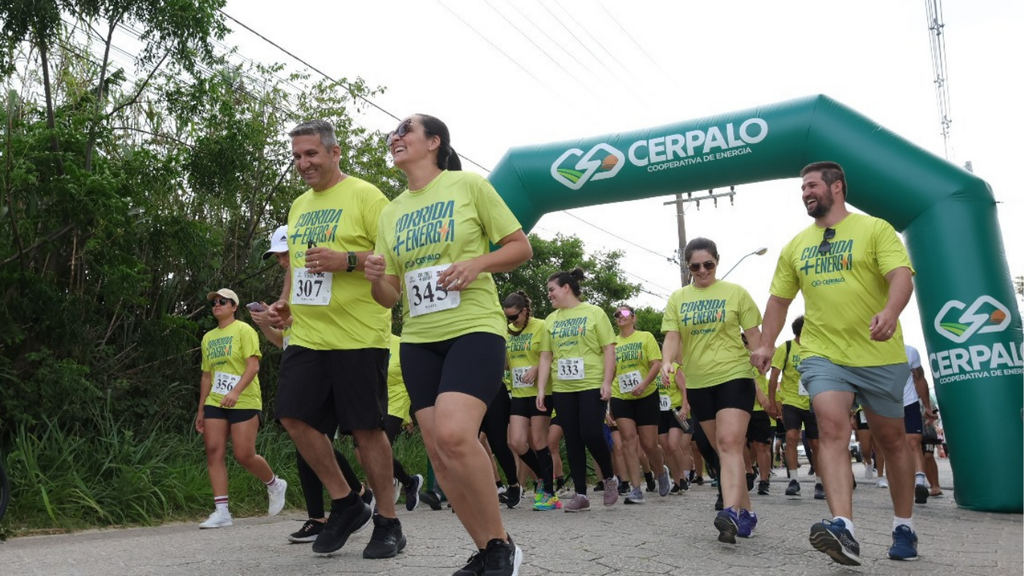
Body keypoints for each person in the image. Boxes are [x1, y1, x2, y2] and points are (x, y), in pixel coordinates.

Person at [364, 113, 532, 576]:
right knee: (439, 451)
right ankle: (486, 549)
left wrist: (477, 265)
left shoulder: (469, 186)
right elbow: (389, 297)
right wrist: (376, 279)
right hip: (419, 339)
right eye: (393, 133)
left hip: (474, 328)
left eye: (406, 130)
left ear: (434, 142)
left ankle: (501, 546)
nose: (395, 137)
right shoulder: (391, 211)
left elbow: (520, 248)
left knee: (456, 435)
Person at [750, 161, 919, 565]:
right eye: (802, 188)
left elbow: (901, 277)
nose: (805, 192)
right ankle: (843, 525)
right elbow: (778, 301)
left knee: (892, 440)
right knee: (830, 427)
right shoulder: (795, 246)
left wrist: (891, 312)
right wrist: (768, 342)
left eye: (811, 185)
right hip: (823, 353)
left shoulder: (874, 229)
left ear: (837, 187)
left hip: (878, 351)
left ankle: (904, 526)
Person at [268, 120, 402, 558]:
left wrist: (346, 259)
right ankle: (346, 502)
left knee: (365, 431)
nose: (303, 163)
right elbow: (298, 267)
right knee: (292, 415)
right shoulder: (299, 206)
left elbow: (391, 258)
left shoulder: (366, 196)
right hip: (308, 335)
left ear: (334, 152)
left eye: (311, 154)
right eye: (297, 156)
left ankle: (388, 521)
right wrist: (286, 303)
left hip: (359, 335)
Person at [250, 225, 374, 544]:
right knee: (305, 434)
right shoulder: (291, 285)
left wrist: (286, 316)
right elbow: (282, 340)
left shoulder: (318, 267)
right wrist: (269, 323)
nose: (281, 261)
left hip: (333, 354)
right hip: (300, 358)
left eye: (284, 253)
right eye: (277, 257)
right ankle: (344, 501)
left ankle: (345, 505)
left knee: (323, 438)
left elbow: (318, 313)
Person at [661, 237, 763, 543]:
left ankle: (729, 511)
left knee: (730, 442)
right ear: (688, 266)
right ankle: (746, 513)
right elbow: (672, 336)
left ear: (717, 261)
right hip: (699, 382)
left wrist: (760, 361)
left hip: (734, 375)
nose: (702, 270)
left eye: (709, 264)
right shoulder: (678, 298)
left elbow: (754, 334)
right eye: (695, 266)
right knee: (724, 449)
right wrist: (667, 362)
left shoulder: (735, 293)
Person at [196, 288, 287, 529]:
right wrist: (201, 408)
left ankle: (275, 484)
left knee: (243, 454)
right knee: (213, 451)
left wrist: (235, 392)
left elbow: (253, 366)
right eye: (214, 302)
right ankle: (222, 511)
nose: (217, 304)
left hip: (244, 399)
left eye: (222, 301)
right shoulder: (208, 338)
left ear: (234, 306)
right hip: (215, 400)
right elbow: (207, 375)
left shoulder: (244, 330)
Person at [536, 268, 619, 513]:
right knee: (572, 437)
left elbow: (608, 349)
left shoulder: (594, 313)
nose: (548, 295)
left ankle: (610, 478)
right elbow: (545, 356)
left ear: (566, 288)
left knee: (591, 433)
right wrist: (541, 389)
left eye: (551, 289)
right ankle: (580, 494)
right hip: (563, 387)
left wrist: (607, 382)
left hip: (592, 383)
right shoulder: (551, 320)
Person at [503, 290, 560, 511]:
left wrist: (536, 368)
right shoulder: (508, 331)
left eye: (514, 317)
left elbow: (551, 353)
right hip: (518, 392)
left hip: (541, 391)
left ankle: (549, 492)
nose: (511, 321)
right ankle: (542, 477)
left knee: (538, 441)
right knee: (516, 442)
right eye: (507, 317)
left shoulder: (542, 326)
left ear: (525, 311)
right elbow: (508, 364)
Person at [611, 305, 668, 504]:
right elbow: (610, 371)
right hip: (621, 396)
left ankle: (661, 472)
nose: (620, 316)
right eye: (616, 314)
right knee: (628, 440)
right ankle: (636, 488)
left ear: (634, 318)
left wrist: (644, 384)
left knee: (649, 443)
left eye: (624, 313)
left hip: (646, 395)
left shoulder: (645, 337)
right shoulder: (613, 343)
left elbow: (656, 364)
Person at [767, 315, 823, 500]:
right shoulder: (786, 348)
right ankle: (794, 481)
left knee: (815, 443)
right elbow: (774, 376)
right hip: (791, 400)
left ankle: (820, 482)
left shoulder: (817, 347)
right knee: (791, 436)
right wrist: (773, 402)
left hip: (813, 400)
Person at [384, 334, 425, 511]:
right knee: (362, 450)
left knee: (381, 445)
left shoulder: (400, 343)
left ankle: (382, 498)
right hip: (374, 397)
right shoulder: (367, 340)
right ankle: (409, 482)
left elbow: (413, 378)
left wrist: (408, 414)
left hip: (397, 398)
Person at [899, 345, 938, 505]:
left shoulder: (910, 351)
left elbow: (919, 378)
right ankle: (903, 483)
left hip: (909, 403)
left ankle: (920, 483)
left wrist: (928, 407)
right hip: (885, 404)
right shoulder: (869, 348)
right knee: (895, 447)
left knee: (914, 443)